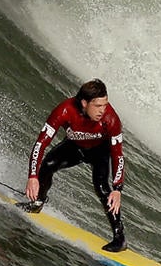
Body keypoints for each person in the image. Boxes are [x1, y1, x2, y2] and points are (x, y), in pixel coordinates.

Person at [24, 78, 126, 252]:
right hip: (75, 147)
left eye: (105, 105)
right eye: (98, 106)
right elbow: (40, 143)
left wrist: (118, 188)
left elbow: (118, 154)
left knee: (102, 187)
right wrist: (33, 176)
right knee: (48, 164)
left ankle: (120, 238)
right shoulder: (64, 111)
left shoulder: (111, 119)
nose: (103, 110)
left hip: (100, 151)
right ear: (84, 103)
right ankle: (38, 202)